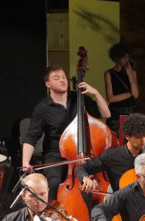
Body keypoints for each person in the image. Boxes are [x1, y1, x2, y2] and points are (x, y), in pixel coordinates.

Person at [21, 65, 110, 198]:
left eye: (63, 77)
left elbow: (106, 114)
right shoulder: (42, 108)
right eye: (56, 78)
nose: (62, 80)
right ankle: (51, 209)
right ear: (48, 84)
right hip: (55, 154)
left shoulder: (79, 98)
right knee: (54, 182)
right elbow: (31, 137)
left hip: (83, 152)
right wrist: (25, 162)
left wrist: (95, 93)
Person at [75, 113, 145, 206]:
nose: (143, 141)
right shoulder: (112, 155)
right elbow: (82, 168)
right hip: (123, 206)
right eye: (138, 137)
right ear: (127, 137)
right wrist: (85, 178)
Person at [103, 43, 138, 132]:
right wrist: (129, 94)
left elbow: (136, 94)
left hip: (130, 111)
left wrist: (130, 75)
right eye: (124, 57)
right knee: (114, 137)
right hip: (115, 114)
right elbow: (111, 98)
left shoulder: (133, 72)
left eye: (128, 57)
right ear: (117, 58)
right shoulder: (109, 73)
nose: (126, 60)